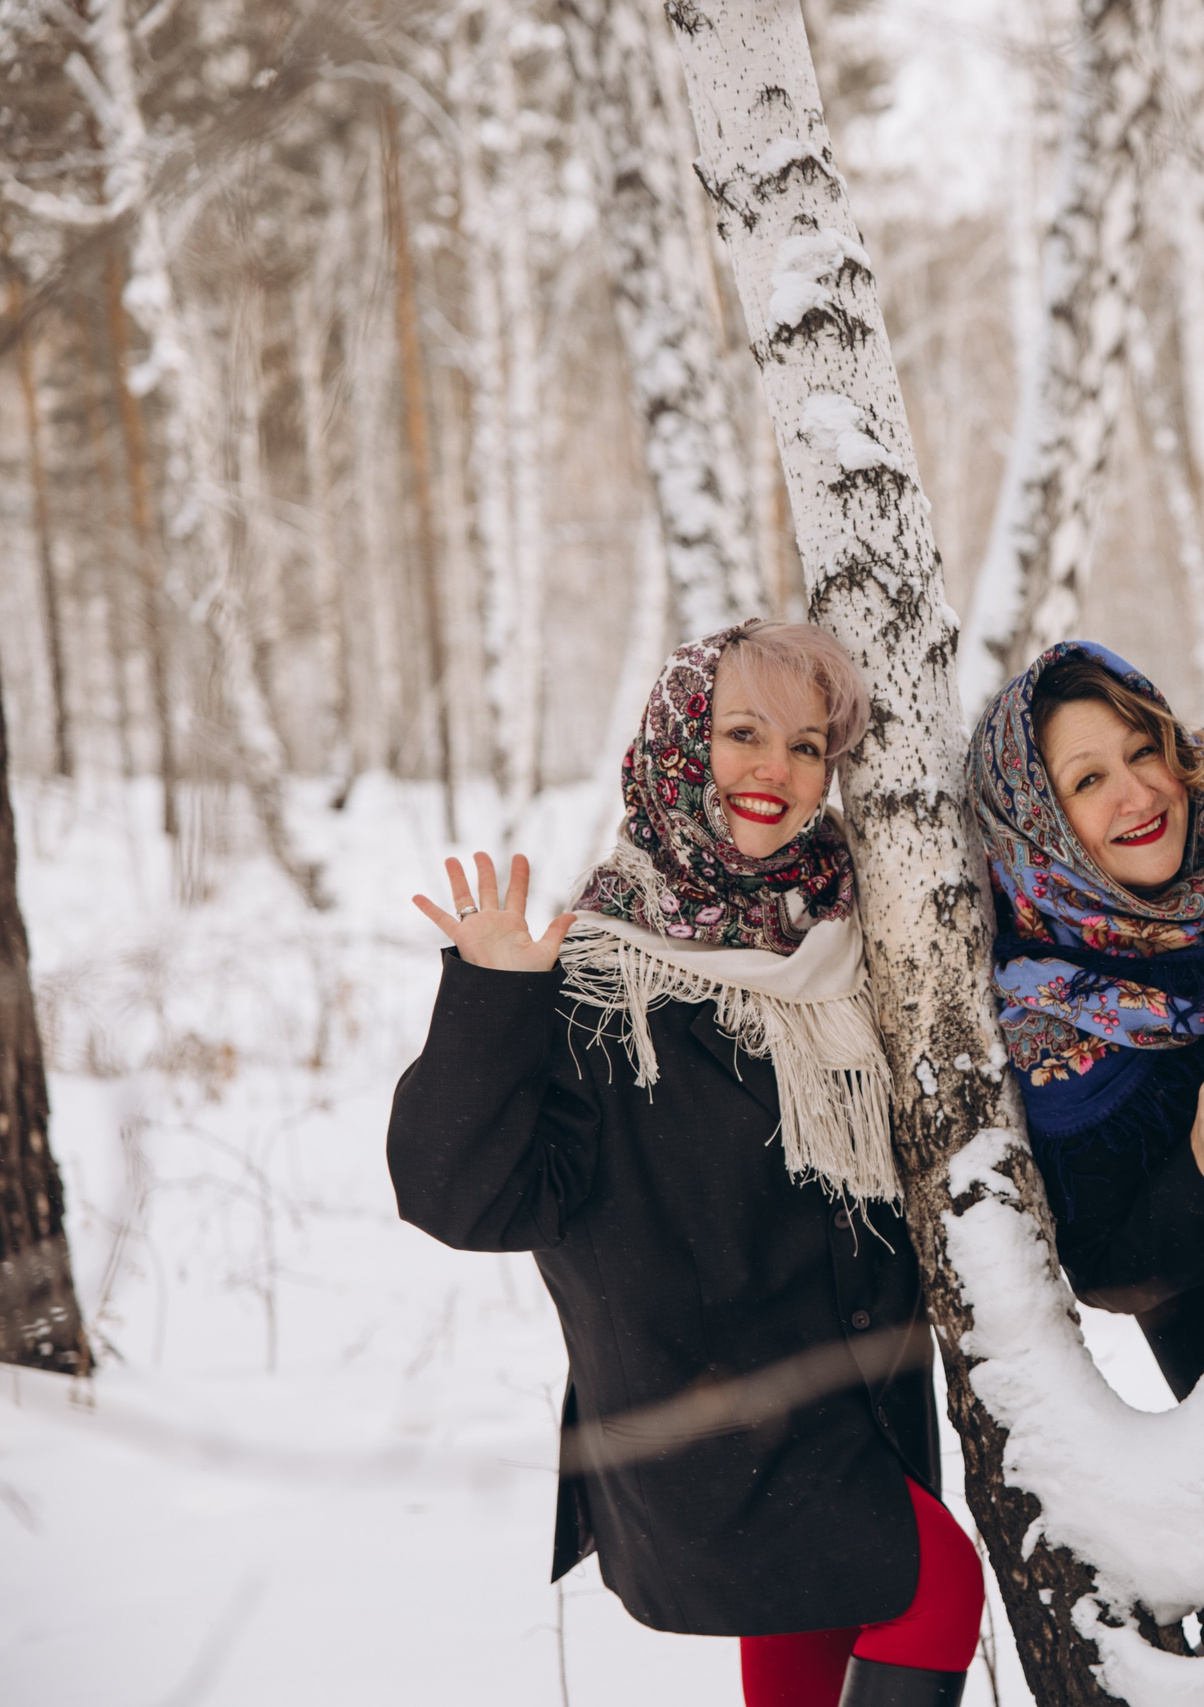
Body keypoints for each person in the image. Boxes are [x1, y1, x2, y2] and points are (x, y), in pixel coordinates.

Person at [387, 621, 982, 1707]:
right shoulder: (600, 981)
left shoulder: (849, 940)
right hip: (710, 1423)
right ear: (674, 745)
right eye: (742, 732)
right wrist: (492, 994)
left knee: (816, 1632)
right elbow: (460, 1199)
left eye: (809, 747)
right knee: (935, 1589)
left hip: (853, 1405)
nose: (776, 771)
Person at [968, 642, 1204, 1399]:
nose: (1138, 794)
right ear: (1039, 828)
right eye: (1089, 780)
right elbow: (1109, 1271)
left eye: (1143, 751)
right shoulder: (1053, 1017)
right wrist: (1198, 1160)